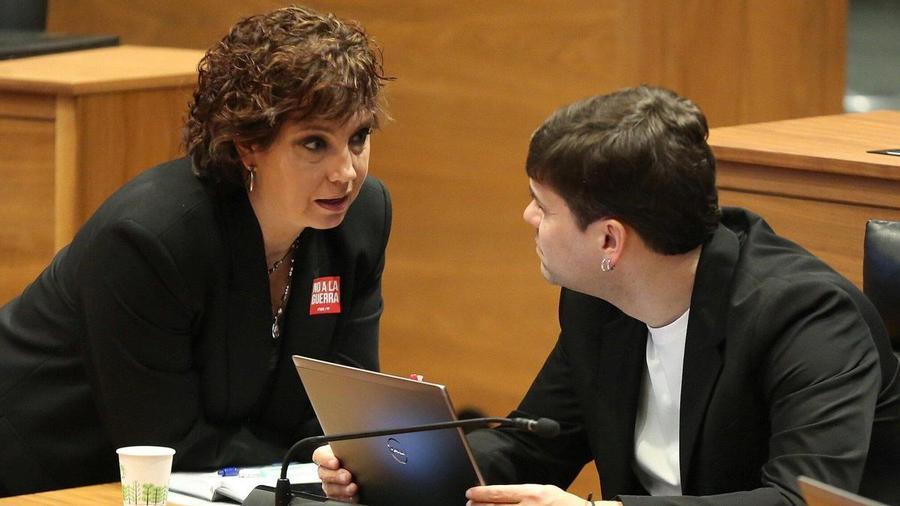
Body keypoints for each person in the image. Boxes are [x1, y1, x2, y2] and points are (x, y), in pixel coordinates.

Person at [315, 86, 900, 505]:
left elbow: (798, 500)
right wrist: (393, 465)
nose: (527, 217)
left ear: (609, 240)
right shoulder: (598, 301)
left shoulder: (806, 317)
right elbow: (533, 448)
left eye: (542, 205)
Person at [0, 5, 391, 497]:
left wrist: (340, 457)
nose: (346, 172)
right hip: (38, 470)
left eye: (358, 138)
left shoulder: (362, 219)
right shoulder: (150, 238)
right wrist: (306, 458)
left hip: (194, 483)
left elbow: (345, 405)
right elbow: (167, 443)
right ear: (248, 145)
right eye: (314, 144)